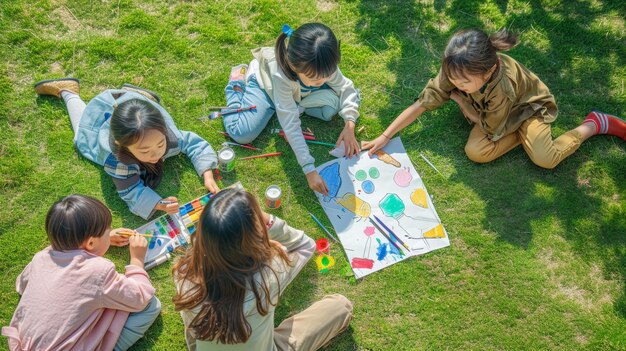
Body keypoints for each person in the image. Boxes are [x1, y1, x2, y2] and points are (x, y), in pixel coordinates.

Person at [363, 28, 626, 168]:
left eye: (464, 82)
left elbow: (488, 124)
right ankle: (528, 139)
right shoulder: (456, 68)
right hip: (496, 116)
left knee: (545, 159)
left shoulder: (502, 88)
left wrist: (464, 103)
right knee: (476, 152)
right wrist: (385, 136)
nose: (455, 84)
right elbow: (422, 104)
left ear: (488, 71)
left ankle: (595, 124)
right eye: (452, 77)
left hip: (527, 110)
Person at [172, 188, 353, 351]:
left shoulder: (184, 274)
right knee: (341, 305)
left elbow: (192, 331)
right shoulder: (270, 273)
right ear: (254, 235)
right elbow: (305, 246)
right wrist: (269, 222)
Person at [34, 79, 220, 219]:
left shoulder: (169, 136)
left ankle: (133, 95)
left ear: (164, 131)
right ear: (123, 147)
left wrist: (207, 174)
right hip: (101, 118)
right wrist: (159, 204)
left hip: (136, 109)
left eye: (160, 144)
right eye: (144, 151)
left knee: (138, 108)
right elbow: (131, 191)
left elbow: (195, 143)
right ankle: (69, 91)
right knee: (80, 137)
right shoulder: (118, 160)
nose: (156, 153)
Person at [1, 194, 160, 350]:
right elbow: (140, 298)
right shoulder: (99, 272)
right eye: (108, 230)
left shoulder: (40, 258)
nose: (110, 232)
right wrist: (137, 260)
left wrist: (104, 240)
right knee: (152, 305)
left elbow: (21, 286)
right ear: (90, 242)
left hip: (23, 344)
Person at [222, 23, 361, 195]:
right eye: (318, 80)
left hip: (299, 94)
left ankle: (297, 104)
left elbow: (347, 87)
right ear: (295, 67)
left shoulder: (323, 63)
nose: (325, 81)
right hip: (267, 89)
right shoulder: (280, 76)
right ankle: (237, 83)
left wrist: (350, 124)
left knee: (332, 110)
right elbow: (290, 124)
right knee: (241, 133)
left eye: (327, 77)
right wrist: (309, 169)